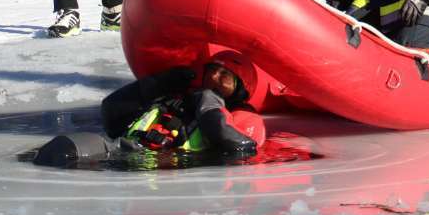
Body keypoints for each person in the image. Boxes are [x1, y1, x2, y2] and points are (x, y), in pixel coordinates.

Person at [33, 52, 265, 167]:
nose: (214, 76)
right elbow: (112, 113)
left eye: (225, 75)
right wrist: (159, 82)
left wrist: (207, 103)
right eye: (212, 69)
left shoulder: (245, 116)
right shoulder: (178, 99)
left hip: (169, 168)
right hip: (120, 152)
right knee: (57, 151)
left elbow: (239, 148)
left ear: (241, 89)